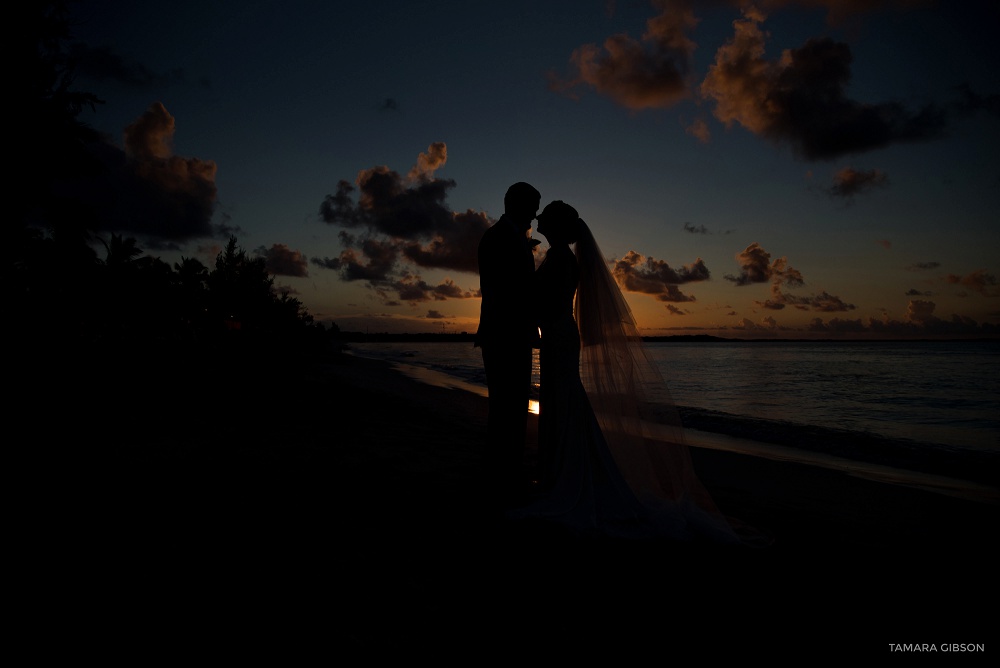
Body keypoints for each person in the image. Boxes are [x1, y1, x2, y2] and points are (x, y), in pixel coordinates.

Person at [526, 200, 740, 541]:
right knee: (562, 403)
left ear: (554, 226)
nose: (539, 221)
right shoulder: (562, 259)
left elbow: (542, 299)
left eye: (544, 218)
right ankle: (559, 472)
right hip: (559, 335)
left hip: (559, 336)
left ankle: (564, 475)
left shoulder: (560, 260)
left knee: (563, 403)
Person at [475, 182, 541, 504]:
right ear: (517, 205)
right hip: (505, 336)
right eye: (533, 206)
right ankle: (501, 479)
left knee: (511, 408)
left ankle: (503, 474)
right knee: (506, 408)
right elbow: (503, 292)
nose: (536, 214)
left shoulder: (513, 237)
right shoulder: (499, 238)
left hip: (510, 335)